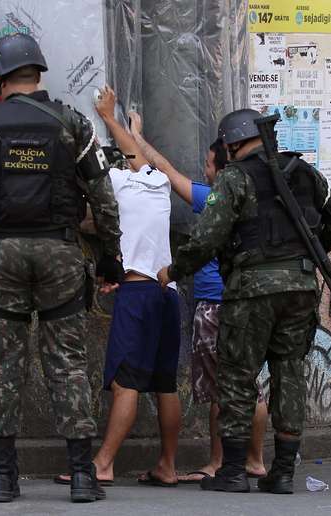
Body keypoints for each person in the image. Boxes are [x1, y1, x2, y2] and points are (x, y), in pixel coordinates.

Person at [0, 33, 123, 503]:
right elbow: (104, 199)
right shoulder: (71, 122)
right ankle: (82, 475)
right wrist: (112, 256)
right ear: (38, 73)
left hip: (1, 255)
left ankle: (5, 477)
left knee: (4, 361)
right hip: (60, 253)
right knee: (67, 363)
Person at [157, 108, 331, 494]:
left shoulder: (235, 178)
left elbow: (205, 239)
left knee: (237, 375)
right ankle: (281, 473)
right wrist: (306, 253)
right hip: (300, 287)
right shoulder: (303, 172)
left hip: (252, 290)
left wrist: (173, 271)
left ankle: (232, 471)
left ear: (231, 144)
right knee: (289, 373)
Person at [127, 111, 268, 483]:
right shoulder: (255, 196)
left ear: (222, 167)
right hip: (247, 302)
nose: (204, 171)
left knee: (220, 391)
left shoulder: (214, 197)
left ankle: (218, 461)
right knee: (250, 385)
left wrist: (136, 136)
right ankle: (255, 459)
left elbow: (166, 171)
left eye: (208, 165)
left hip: (214, 307)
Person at [54, 85, 182, 488]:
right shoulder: (157, 186)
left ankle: (104, 463)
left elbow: (94, 213)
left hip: (138, 293)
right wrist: (132, 127)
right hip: (167, 296)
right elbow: (137, 155)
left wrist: (107, 117)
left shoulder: (117, 187)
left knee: (125, 381)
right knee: (165, 384)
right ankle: (168, 465)